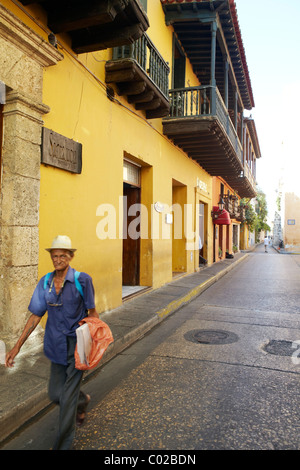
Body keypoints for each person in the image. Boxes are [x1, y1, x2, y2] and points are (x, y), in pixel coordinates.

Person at [5, 235, 98, 450]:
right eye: (54, 256)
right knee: (55, 394)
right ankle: (82, 401)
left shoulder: (82, 280)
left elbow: (93, 313)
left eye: (62, 255)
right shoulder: (45, 282)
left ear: (71, 256)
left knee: (66, 400)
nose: (58, 259)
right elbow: (35, 316)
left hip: (77, 346)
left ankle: (63, 446)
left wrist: (96, 340)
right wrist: (17, 347)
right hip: (55, 346)